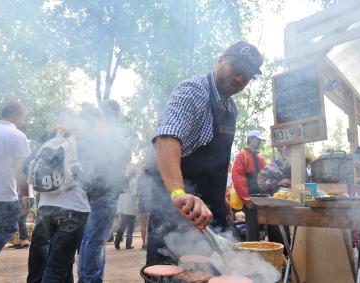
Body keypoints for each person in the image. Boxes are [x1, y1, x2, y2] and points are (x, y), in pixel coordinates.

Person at [147, 41, 264, 264]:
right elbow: (166, 139)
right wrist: (178, 193)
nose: (240, 78)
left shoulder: (231, 107)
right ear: (221, 60)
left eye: (247, 75)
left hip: (210, 212)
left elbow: (215, 162)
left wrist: (220, 199)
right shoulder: (194, 90)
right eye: (236, 68)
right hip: (177, 212)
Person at [26, 108, 90, 283]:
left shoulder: (48, 137)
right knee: (57, 267)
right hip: (73, 209)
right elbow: (92, 178)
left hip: (46, 207)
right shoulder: (82, 140)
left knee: (63, 263)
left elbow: (26, 167)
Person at [77, 102, 130, 283]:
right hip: (105, 191)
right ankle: (90, 279)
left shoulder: (81, 136)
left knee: (88, 239)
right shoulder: (102, 134)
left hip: (90, 192)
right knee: (96, 240)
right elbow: (124, 155)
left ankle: (88, 278)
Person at [0, 102, 30, 282]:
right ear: (17, 116)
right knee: (8, 229)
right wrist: (25, 193)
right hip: (4, 195)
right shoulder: (17, 136)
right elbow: (21, 169)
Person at [232, 130, 267, 241]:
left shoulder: (260, 157)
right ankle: (251, 252)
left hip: (261, 197)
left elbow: (265, 175)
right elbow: (238, 178)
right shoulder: (242, 155)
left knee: (262, 225)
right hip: (249, 197)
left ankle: (259, 249)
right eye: (258, 140)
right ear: (251, 139)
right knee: (252, 225)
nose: (260, 142)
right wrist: (246, 199)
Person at [114, 173, 138, 250]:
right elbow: (134, 194)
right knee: (130, 228)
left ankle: (116, 243)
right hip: (130, 208)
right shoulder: (134, 182)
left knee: (122, 226)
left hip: (123, 208)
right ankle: (128, 245)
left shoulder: (123, 185)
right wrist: (137, 205)